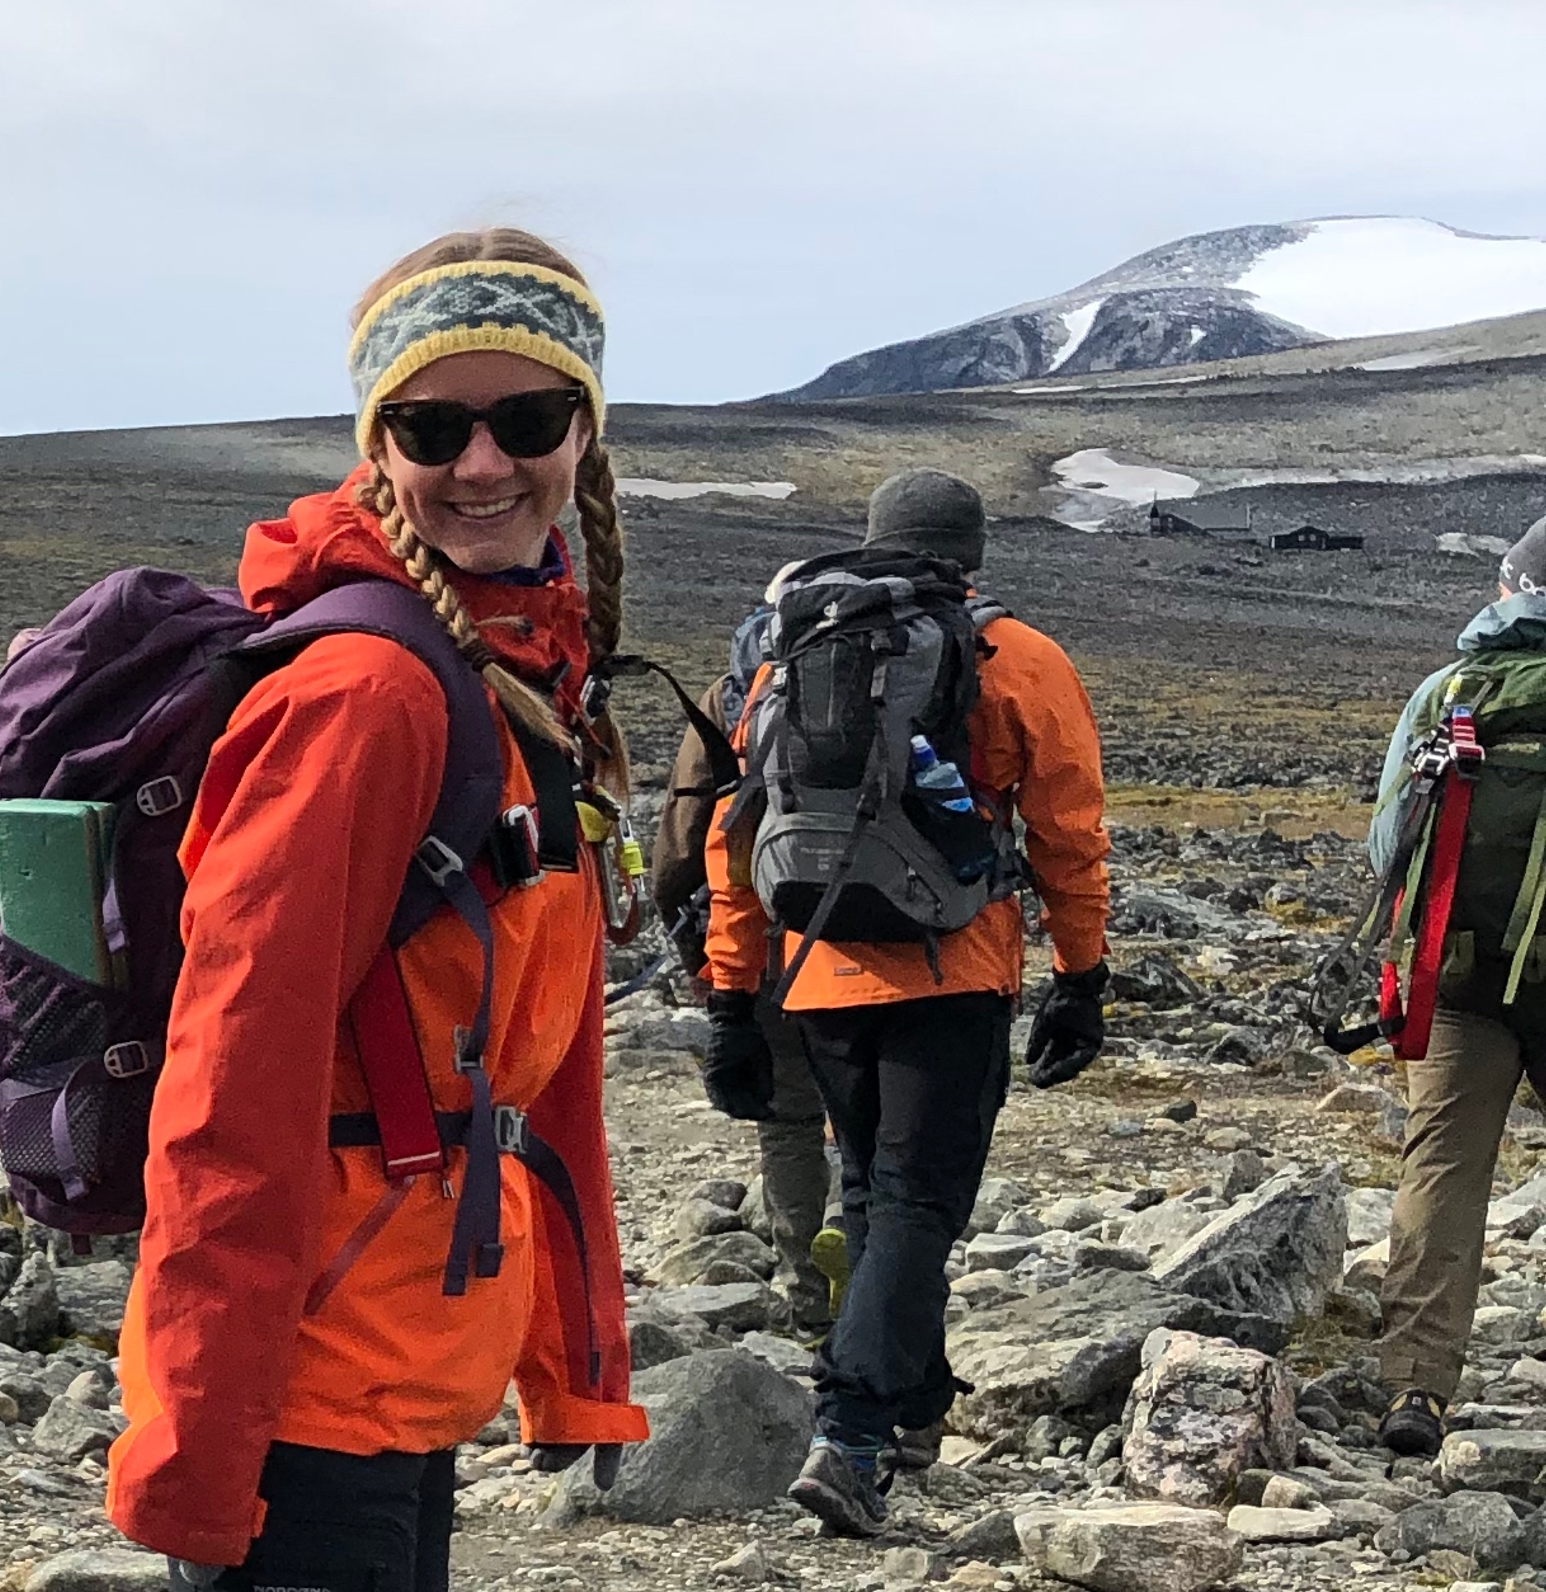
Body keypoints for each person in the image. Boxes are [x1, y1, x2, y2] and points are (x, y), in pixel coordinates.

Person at [112, 229, 645, 1591]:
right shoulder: (368, 696)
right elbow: (232, 1076)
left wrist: (577, 1363)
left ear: (585, 432)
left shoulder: (520, 677)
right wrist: (200, 1449)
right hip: (310, 1377)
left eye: (528, 419)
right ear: (378, 444)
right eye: (432, 426)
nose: (483, 464)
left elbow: (544, 1065)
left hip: (406, 1343)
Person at [701, 469, 1114, 1538]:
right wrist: (1082, 977)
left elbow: (736, 835)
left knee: (869, 1193)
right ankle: (850, 1435)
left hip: (817, 966)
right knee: (917, 1205)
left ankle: (914, 1408)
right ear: (972, 553)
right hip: (953, 970)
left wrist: (732, 997)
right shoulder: (1017, 656)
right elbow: (1068, 836)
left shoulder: (791, 652)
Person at [1369, 513, 1546, 1456]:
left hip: (1461, 978)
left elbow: (1385, 848)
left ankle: (1416, 1387)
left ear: (1508, 589)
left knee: (1442, 1168)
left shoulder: (1447, 693)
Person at [646, 575, 837, 1334]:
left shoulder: (735, 694)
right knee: (878, 1112)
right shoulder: (907, 668)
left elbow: (683, 841)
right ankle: (874, 1266)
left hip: (763, 938)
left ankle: (808, 1295)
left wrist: (701, 958)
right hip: (885, 932)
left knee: (789, 1118)